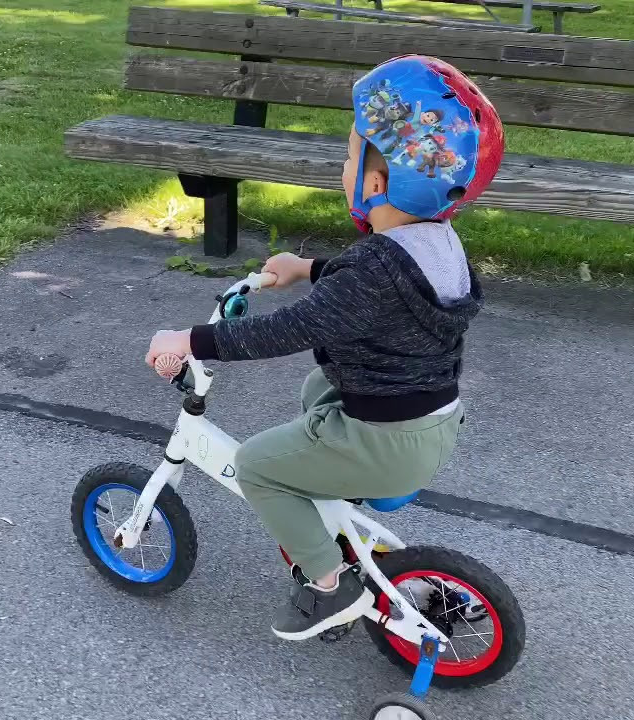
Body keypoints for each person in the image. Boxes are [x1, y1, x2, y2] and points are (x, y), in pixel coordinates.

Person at [144, 55, 505, 641]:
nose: (342, 169)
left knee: (260, 466)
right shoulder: (436, 242)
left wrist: (188, 340)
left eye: (347, 157)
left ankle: (330, 585)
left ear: (377, 183)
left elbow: (284, 332)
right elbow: (382, 289)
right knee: (320, 386)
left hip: (385, 441)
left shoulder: (372, 271)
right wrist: (309, 267)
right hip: (432, 420)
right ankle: (333, 506)